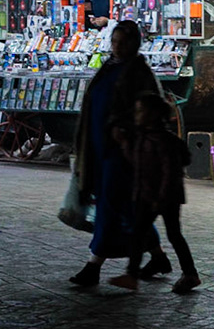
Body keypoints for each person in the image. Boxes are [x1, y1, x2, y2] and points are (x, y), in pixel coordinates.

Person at [69, 20, 162, 288]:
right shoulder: (109, 66)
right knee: (126, 208)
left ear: (135, 44)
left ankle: (93, 265)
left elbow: (149, 111)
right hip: (99, 148)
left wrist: (126, 132)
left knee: (110, 205)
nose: (118, 48)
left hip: (123, 152)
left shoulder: (138, 72)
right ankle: (157, 256)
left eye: (123, 43)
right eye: (115, 42)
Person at [111, 93, 199, 292]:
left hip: (161, 197)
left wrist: (160, 198)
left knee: (169, 234)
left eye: (141, 111)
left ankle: (189, 274)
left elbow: (170, 172)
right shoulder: (145, 138)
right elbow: (137, 163)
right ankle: (134, 275)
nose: (137, 115)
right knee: (144, 232)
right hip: (149, 194)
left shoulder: (162, 141)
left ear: (152, 114)